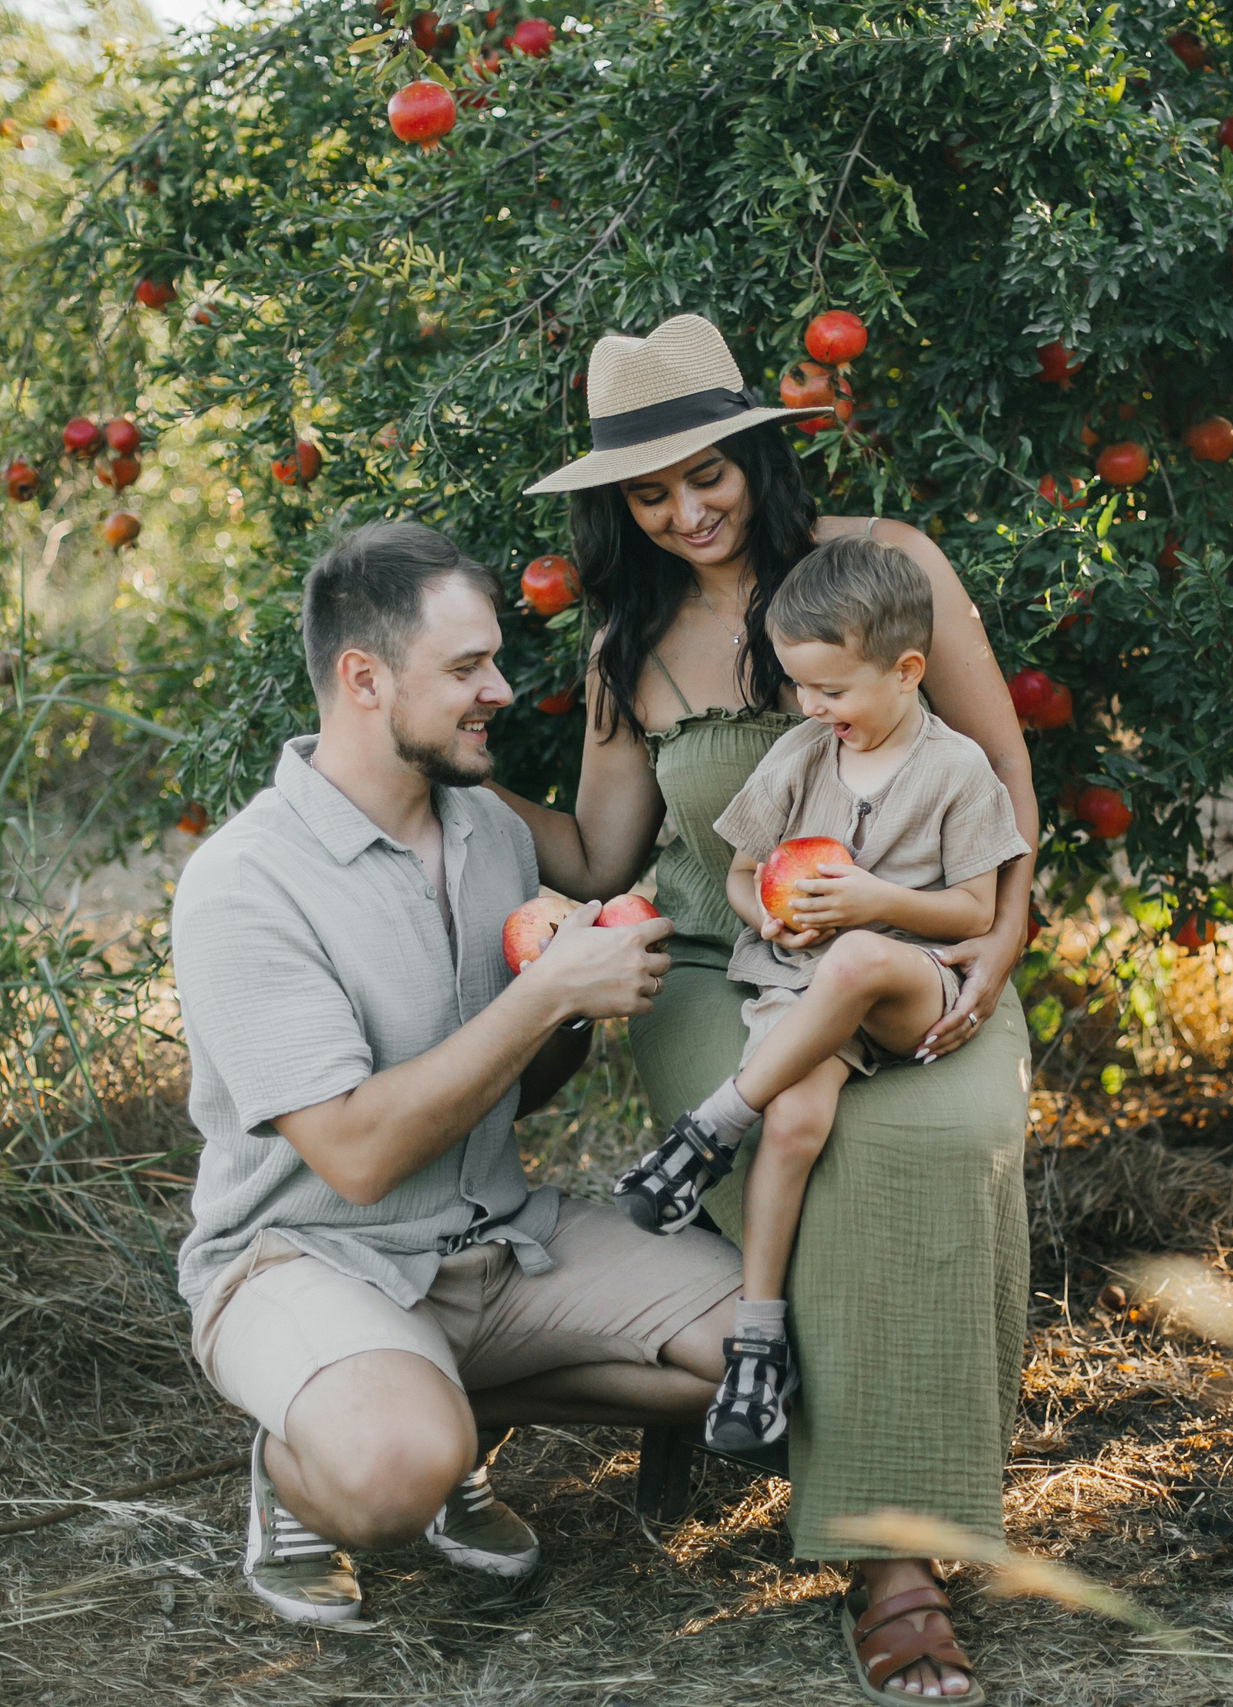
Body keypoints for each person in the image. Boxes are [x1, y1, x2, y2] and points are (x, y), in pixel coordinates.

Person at [498, 313, 1037, 1703]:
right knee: (839, 1154)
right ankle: (892, 1568)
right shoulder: (634, 638)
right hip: (720, 970)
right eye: (648, 490)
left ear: (753, 450)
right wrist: (449, 776)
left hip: (922, 947)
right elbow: (605, 858)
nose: (685, 510)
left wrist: (1003, 940)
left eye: (706, 474)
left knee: (923, 1138)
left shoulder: (887, 567)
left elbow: (1006, 788)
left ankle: (900, 1516)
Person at [170, 520, 743, 1626]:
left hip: (497, 1242)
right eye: (467, 667)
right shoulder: (244, 884)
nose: (501, 688)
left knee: (768, 1349)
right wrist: (547, 997)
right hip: (307, 1258)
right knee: (390, 1478)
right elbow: (358, 1154)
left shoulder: (489, 831)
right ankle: (316, 1463)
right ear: (363, 678)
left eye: (495, 657)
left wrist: (576, 1006)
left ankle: (422, 1402)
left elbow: (520, 1082)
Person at [611, 535, 1030, 1462]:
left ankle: (708, 1128)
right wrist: (769, 920)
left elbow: (974, 905)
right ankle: (757, 1342)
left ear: (908, 670)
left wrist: (873, 905)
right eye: (801, 687)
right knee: (794, 1129)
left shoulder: (954, 768)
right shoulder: (805, 754)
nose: (810, 707)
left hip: (911, 981)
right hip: (802, 985)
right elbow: (747, 873)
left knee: (856, 962)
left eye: (831, 690)